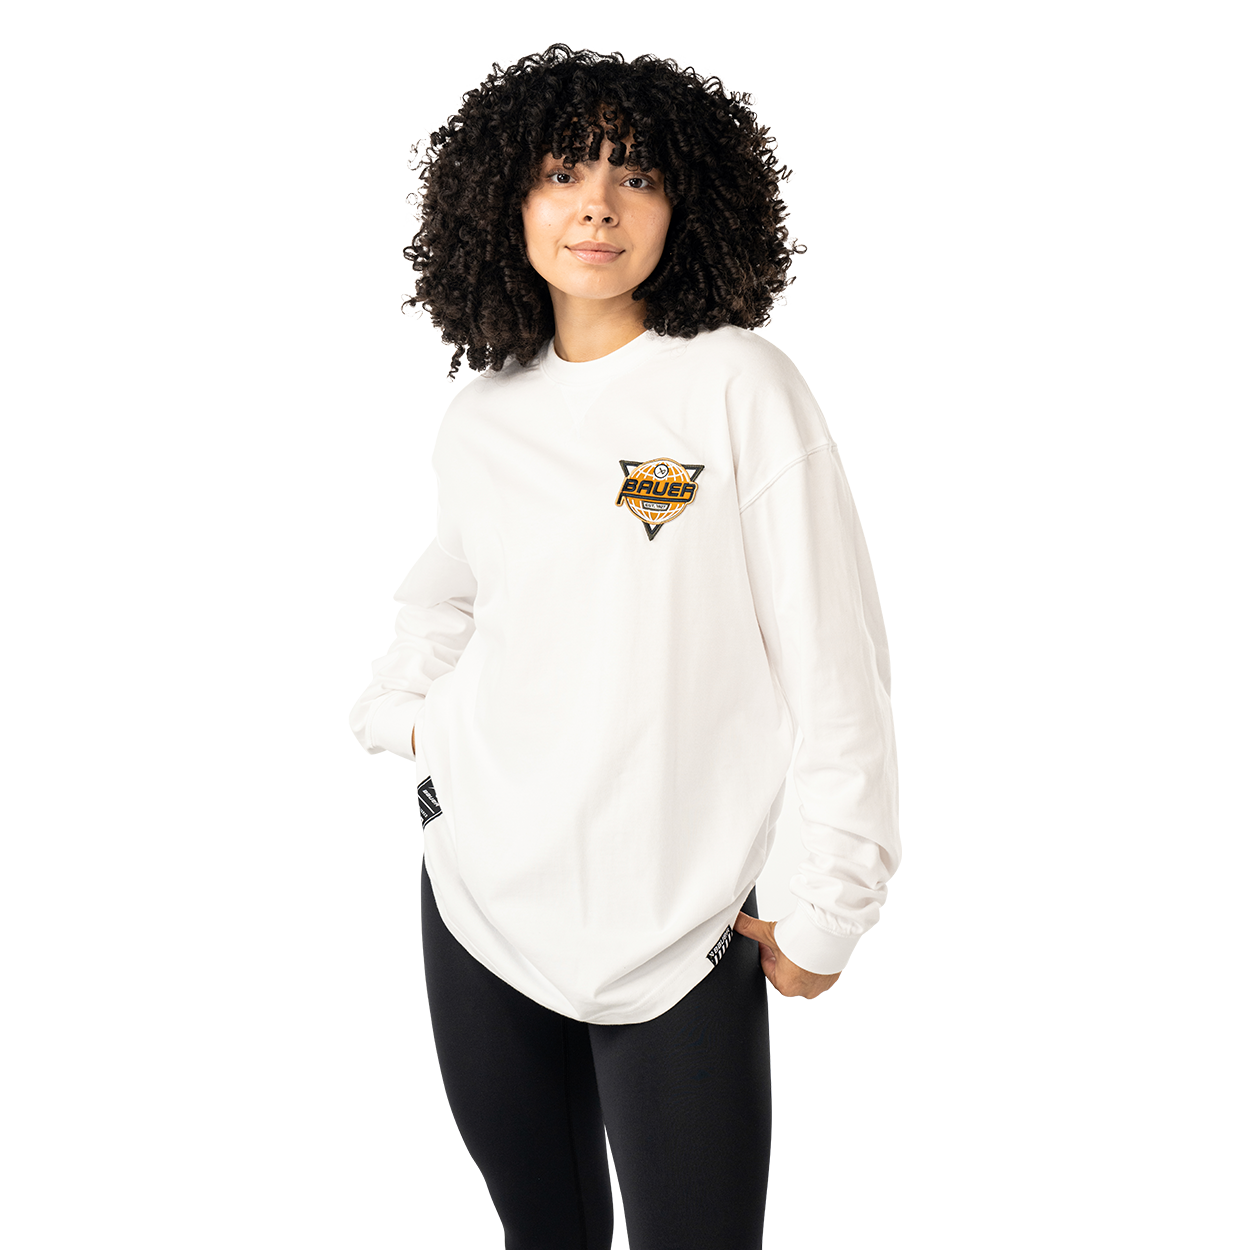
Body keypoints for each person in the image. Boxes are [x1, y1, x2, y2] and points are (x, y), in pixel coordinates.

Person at [351, 43, 900, 1250]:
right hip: (481, 901)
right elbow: (438, 610)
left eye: (635, 175)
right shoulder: (484, 411)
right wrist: (417, 725)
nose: (595, 204)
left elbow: (834, 666)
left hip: (679, 920)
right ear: (507, 200)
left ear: (685, 204)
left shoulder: (736, 385)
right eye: (562, 173)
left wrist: (829, 906)